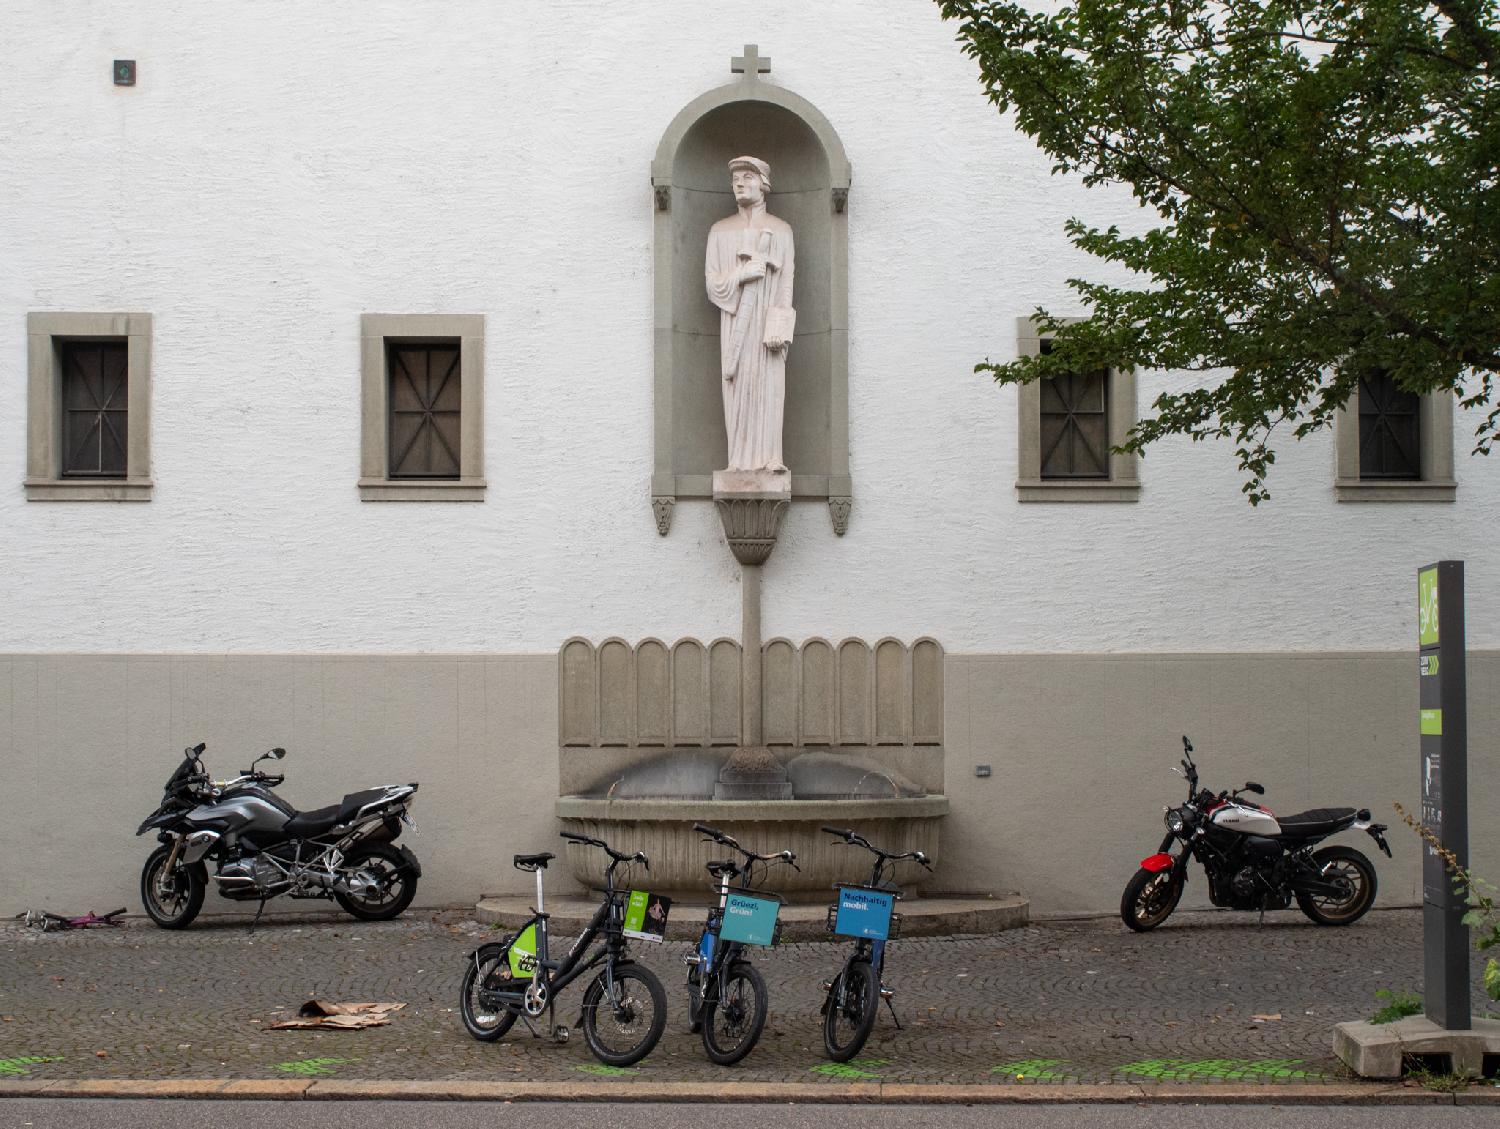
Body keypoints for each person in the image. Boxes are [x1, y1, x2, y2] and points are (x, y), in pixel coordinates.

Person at [705, 156, 796, 474]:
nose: (739, 184)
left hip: (767, 325)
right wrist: (741, 275)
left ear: (764, 184)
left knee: (770, 384)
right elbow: (712, 283)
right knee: (739, 386)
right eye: (735, 180)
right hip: (736, 324)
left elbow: (786, 284)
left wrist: (780, 327)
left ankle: (771, 456)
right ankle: (739, 462)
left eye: (746, 177)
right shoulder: (720, 231)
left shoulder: (781, 231)